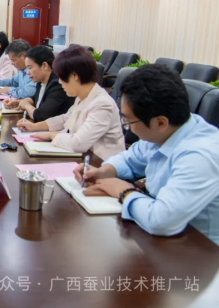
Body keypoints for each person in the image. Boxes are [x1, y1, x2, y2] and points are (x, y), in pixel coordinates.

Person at [74, 65, 219, 245]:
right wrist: (104, 172)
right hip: (166, 239)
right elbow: (130, 159)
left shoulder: (200, 155)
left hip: (200, 251)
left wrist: (123, 190)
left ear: (160, 123)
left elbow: (161, 221)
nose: (127, 127)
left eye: (129, 120)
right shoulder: (165, 132)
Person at [18, 46, 125, 160]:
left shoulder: (102, 104)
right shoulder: (82, 97)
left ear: (75, 76)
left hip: (100, 163)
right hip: (84, 158)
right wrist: (35, 126)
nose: (59, 82)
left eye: (61, 78)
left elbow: (78, 143)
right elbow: (65, 118)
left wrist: (52, 135)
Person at [6, 45, 74, 122]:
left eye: (30, 68)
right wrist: (20, 102)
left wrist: (26, 105)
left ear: (44, 66)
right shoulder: (41, 80)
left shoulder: (57, 84)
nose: (28, 72)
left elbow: (41, 116)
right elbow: (36, 98)